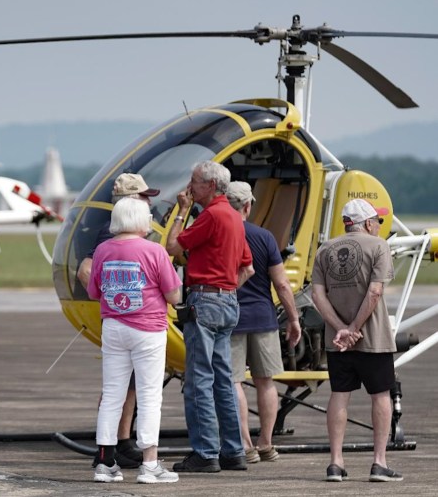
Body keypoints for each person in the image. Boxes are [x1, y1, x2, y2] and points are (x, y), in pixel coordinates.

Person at [164, 161, 254, 473]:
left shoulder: (212, 214)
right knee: (223, 379)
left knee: (199, 378)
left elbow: (172, 245)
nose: (190, 187)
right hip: (228, 300)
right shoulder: (233, 216)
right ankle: (233, 450)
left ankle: (205, 452)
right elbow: (247, 266)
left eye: (195, 182)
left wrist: (181, 211)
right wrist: (226, 289)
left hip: (205, 298)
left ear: (211, 186)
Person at [87, 197, 182, 484]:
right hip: (148, 329)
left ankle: (105, 462)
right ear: (143, 221)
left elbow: (94, 292)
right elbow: (174, 296)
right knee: (150, 394)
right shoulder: (154, 250)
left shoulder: (103, 249)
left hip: (114, 326)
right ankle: (150, 464)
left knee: (112, 394)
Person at [312, 198, 402, 483]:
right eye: (377, 221)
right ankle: (379, 462)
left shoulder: (325, 249)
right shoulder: (379, 246)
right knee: (380, 395)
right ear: (367, 223)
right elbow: (375, 292)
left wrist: (341, 329)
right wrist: (354, 327)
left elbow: (317, 295)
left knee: (339, 395)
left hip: (337, 341)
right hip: (372, 338)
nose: (379, 226)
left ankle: (336, 463)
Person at [77, 172, 161, 468]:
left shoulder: (120, 235)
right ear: (129, 201)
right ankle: (117, 446)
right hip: (130, 321)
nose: (148, 202)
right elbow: (85, 270)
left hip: (122, 321)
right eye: (143, 197)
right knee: (121, 387)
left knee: (129, 386)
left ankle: (118, 443)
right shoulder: (110, 236)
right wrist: (118, 301)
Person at [225, 181, 302, 463]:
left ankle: (245, 444)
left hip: (230, 318)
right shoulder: (265, 237)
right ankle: (266, 443)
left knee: (233, 381)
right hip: (263, 317)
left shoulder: (219, 233)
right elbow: (282, 284)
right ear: (248, 206)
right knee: (265, 382)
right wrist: (293, 319)